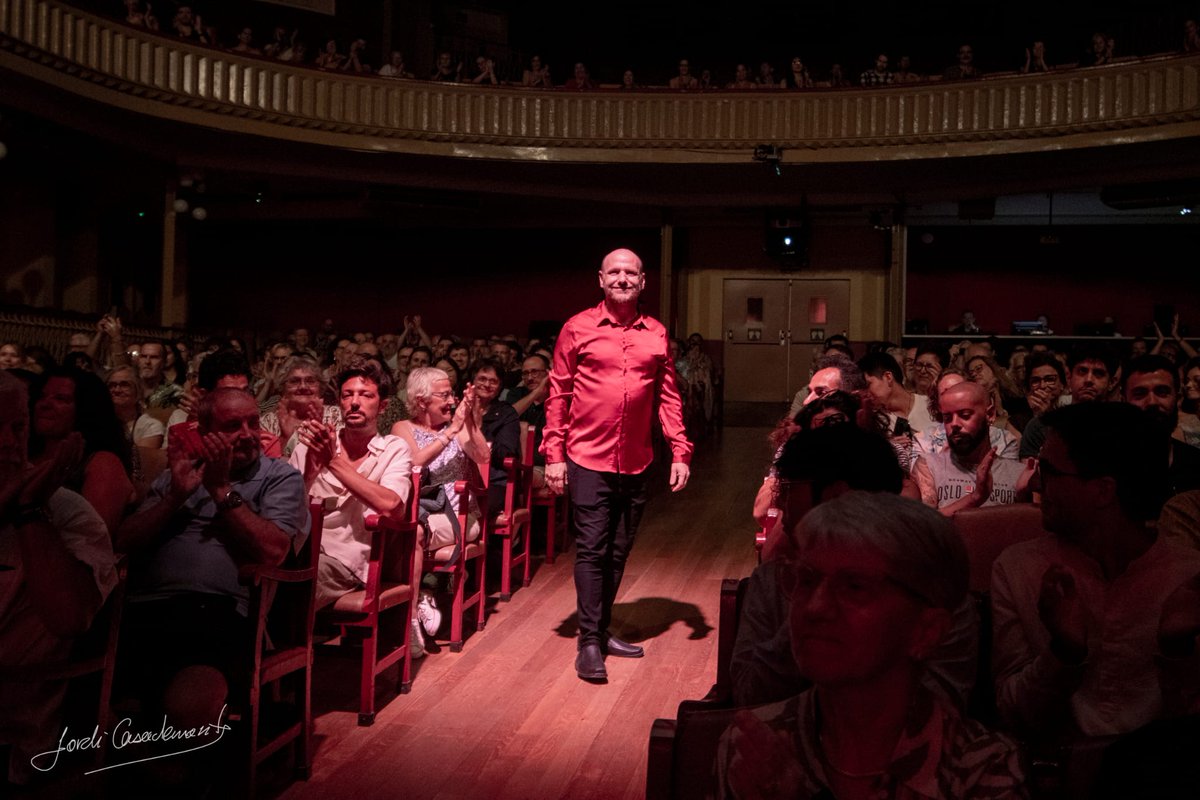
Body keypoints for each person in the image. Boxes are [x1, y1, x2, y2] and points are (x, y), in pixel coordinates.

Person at [716, 492, 1025, 799]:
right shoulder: (754, 745)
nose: (815, 607)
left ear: (926, 631)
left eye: (854, 586)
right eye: (807, 580)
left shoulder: (982, 771)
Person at [992, 402, 1200, 740]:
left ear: (1103, 490)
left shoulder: (1187, 577)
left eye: (1048, 470)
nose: (1035, 483)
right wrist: (1064, 653)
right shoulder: (1018, 568)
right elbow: (1011, 713)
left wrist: (1178, 650)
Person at [542, 248, 692, 682]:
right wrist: (554, 455)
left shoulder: (657, 333)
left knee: (619, 549)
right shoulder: (577, 328)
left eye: (631, 272)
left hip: (637, 459)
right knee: (592, 547)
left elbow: (668, 396)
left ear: (644, 281)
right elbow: (559, 395)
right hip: (587, 455)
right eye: (615, 272)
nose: (623, 278)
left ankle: (601, 629)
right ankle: (589, 641)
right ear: (601, 279)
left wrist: (680, 450)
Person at [0, 370, 118, 786]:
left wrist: (29, 512)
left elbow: (71, 617)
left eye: (16, 427)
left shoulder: (65, 510)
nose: (7, 442)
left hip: (16, 736)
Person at [289, 359, 416, 647]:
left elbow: (392, 506)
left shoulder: (393, 449)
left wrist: (333, 463)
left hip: (346, 560)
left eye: (365, 395)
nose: (354, 403)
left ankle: (282, 673)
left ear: (382, 406)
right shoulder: (314, 444)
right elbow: (287, 504)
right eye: (348, 395)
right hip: (298, 548)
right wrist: (312, 464)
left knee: (295, 581)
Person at [29, 367, 134, 534]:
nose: (44, 404)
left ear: (85, 409)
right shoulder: (26, 453)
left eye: (60, 399)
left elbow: (92, 539)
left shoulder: (101, 462)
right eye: (41, 396)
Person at [913, 382, 1028, 516]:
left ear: (990, 414)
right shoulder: (929, 465)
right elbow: (924, 526)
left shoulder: (1018, 474)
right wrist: (975, 497)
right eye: (947, 418)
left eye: (965, 415)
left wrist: (1025, 496)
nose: (954, 424)